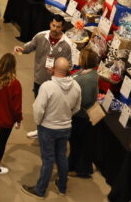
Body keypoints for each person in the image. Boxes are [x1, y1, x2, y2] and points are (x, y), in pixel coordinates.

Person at [23, 57, 81, 198]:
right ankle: (62, 187)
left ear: (53, 69)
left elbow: (38, 109)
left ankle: (40, 190)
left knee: (48, 159)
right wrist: (66, 117)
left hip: (48, 128)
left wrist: (39, 122)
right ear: (68, 70)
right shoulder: (76, 86)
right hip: (65, 127)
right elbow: (77, 108)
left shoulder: (47, 87)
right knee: (61, 156)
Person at [14, 14, 74, 99]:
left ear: (62, 27)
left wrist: (56, 70)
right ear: (50, 24)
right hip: (39, 80)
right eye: (53, 25)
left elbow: (69, 66)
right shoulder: (40, 36)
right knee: (38, 102)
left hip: (55, 83)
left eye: (58, 27)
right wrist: (21, 49)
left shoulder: (67, 45)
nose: (55, 29)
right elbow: (29, 46)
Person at [68, 49, 100, 180]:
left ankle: (76, 168)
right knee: (77, 143)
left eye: (80, 57)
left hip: (80, 116)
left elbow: (85, 100)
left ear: (84, 61)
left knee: (77, 143)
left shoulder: (87, 79)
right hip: (79, 115)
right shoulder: (87, 73)